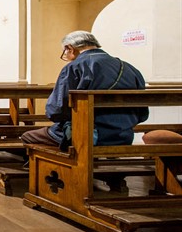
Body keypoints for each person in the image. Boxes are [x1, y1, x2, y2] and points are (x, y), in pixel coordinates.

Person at [20, 30, 148, 150]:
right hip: (123, 136)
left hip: (86, 136)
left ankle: (65, 170)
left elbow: (57, 110)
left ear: (69, 48)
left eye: (65, 53)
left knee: (28, 136)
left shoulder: (75, 67)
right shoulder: (130, 68)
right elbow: (142, 114)